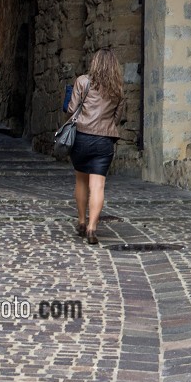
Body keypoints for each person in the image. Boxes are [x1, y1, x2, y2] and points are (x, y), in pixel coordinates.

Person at [66, 50, 126, 245]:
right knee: (98, 185)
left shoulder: (83, 81)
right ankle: (93, 228)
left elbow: (71, 109)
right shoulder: (118, 89)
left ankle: (82, 221)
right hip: (104, 141)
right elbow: (117, 118)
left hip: (82, 137)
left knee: (81, 181)